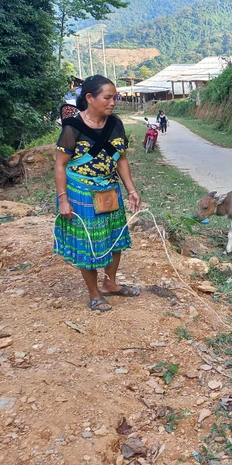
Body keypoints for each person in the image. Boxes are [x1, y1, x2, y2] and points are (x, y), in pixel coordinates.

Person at [53, 75, 142, 312]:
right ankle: (94, 294)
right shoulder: (73, 127)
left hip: (109, 189)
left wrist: (131, 190)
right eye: (108, 97)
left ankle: (110, 284)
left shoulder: (115, 124)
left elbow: (121, 158)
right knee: (89, 243)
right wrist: (63, 199)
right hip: (80, 192)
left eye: (115, 97)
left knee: (115, 239)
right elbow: (60, 164)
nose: (113, 102)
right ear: (90, 98)